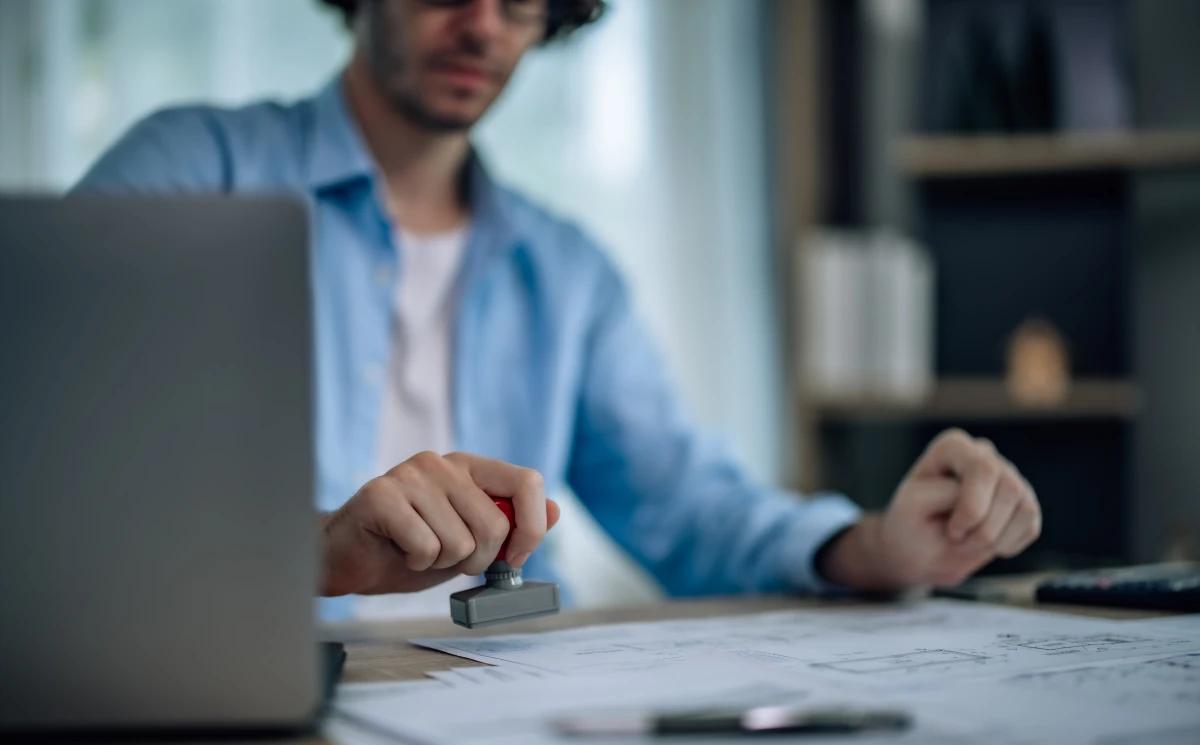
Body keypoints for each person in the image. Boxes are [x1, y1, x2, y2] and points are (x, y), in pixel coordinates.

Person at [75, 0, 1041, 619]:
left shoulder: (567, 270)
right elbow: (58, 480)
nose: (485, 26)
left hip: (517, 705)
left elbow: (686, 504)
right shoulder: (193, 173)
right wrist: (315, 549)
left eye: (522, 2)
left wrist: (872, 546)